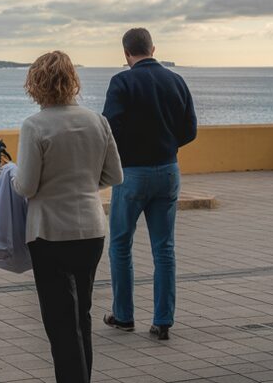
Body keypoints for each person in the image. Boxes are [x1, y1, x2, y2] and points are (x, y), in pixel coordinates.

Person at [12, 51, 123, 383]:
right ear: (72, 80)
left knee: (60, 323)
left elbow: (27, 186)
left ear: (36, 84)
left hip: (49, 233)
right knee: (81, 316)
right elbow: (114, 175)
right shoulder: (97, 121)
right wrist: (86, 184)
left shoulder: (35, 125)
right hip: (90, 229)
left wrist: (12, 178)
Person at [102, 28, 196, 341]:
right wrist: (167, 145)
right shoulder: (176, 81)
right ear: (153, 48)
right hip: (168, 171)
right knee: (164, 248)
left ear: (126, 53)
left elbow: (108, 128)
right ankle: (163, 321)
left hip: (132, 173)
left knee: (120, 244)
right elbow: (189, 130)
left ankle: (124, 316)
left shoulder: (122, 82)